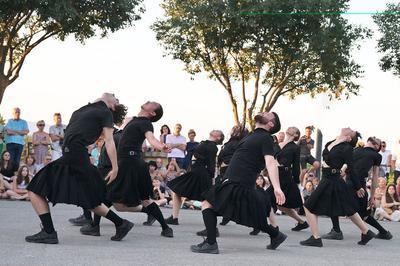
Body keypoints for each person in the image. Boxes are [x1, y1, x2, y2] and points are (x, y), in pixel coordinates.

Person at [25, 93, 133, 244]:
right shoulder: (84, 109)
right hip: (74, 156)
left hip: (74, 156)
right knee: (89, 200)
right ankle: (121, 224)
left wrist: (115, 168)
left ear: (112, 105)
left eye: (116, 99)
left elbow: (109, 141)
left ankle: (49, 232)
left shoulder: (105, 112)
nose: (115, 96)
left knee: (35, 189)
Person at [190, 112, 287, 254]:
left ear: (270, 124)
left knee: (207, 204)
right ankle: (276, 235)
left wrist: (277, 187)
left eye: (268, 114)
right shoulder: (252, 135)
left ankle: (211, 243)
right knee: (248, 216)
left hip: (240, 182)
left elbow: (270, 163)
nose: (263, 112)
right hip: (233, 180)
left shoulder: (266, 138)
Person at [107, 101, 174, 238]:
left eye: (152, 103)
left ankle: (102, 226)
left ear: (152, 113)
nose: (149, 101)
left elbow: (151, 139)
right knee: (129, 201)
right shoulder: (134, 120)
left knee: (109, 194)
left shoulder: (145, 122)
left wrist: (162, 147)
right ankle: (165, 227)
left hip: (130, 163)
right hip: (128, 162)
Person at [300, 128, 375, 247]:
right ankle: (366, 232)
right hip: (328, 178)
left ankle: (316, 238)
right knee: (348, 208)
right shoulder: (331, 143)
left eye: (352, 131)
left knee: (308, 206)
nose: (349, 128)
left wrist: (358, 187)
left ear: (349, 137)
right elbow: (326, 156)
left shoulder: (347, 148)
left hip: (332, 179)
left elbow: (351, 168)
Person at [323, 137, 392, 241]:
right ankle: (383, 232)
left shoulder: (374, 155)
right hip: (358, 184)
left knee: (335, 203)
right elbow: (345, 167)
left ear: (377, 147)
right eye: (374, 139)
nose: (375, 139)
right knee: (362, 213)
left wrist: (372, 196)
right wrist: (371, 197)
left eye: (377, 142)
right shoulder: (356, 150)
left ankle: (336, 231)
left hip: (353, 183)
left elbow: (375, 177)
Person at [166, 130, 224, 225]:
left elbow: (211, 165)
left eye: (218, 132)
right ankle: (174, 218)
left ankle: (212, 225)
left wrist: (211, 179)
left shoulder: (212, 146)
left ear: (218, 137)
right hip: (194, 172)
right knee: (177, 190)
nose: (215, 130)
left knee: (207, 200)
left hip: (200, 174)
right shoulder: (205, 143)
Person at [275, 127, 308, 231]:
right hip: (275, 175)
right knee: (281, 206)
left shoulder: (295, 147)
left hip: (285, 177)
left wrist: (297, 181)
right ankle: (302, 222)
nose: (290, 127)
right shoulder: (277, 145)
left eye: (293, 128)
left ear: (295, 135)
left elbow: (296, 166)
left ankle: (267, 226)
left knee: (270, 200)